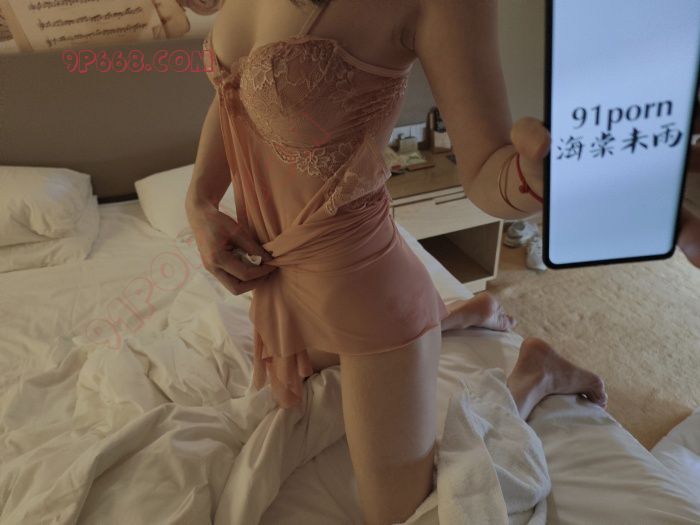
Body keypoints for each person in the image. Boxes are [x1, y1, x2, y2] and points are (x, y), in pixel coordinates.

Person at [184, 1, 691, 523]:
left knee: (407, 515)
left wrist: (530, 179)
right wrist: (199, 201)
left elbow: (487, 170)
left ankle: (533, 376)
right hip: (280, 280)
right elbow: (232, 93)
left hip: (368, 297)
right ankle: (460, 315)